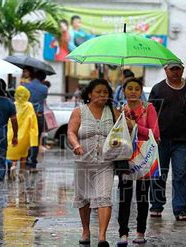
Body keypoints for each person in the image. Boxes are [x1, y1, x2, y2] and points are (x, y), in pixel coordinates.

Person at [148, 61, 186, 221]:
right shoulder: (158, 89)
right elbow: (150, 114)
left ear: (182, 70)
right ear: (166, 71)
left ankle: (180, 209)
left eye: (178, 69)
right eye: (172, 69)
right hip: (161, 140)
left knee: (180, 174)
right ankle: (156, 206)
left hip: (182, 140)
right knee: (159, 174)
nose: (175, 72)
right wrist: (151, 135)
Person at [67, 79, 116, 247]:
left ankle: (102, 237)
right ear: (89, 94)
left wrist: (127, 117)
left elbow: (127, 129)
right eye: (98, 92)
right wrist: (76, 145)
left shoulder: (113, 111)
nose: (102, 95)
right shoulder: (79, 111)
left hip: (106, 163)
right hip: (83, 163)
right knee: (84, 199)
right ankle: (86, 230)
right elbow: (71, 132)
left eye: (105, 92)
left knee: (104, 197)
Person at [116, 78, 159, 245]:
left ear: (141, 91)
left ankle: (140, 232)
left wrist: (134, 126)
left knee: (142, 196)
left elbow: (155, 134)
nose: (133, 91)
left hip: (144, 157)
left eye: (136, 88)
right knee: (124, 196)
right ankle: (123, 234)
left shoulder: (149, 109)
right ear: (124, 91)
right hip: (125, 157)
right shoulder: (121, 110)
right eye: (129, 88)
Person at [7, 86, 38, 180]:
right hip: (25, 133)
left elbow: (9, 118)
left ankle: (13, 166)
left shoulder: (13, 104)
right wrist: (34, 134)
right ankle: (21, 173)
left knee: (13, 153)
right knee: (23, 155)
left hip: (13, 132)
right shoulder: (29, 106)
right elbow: (32, 120)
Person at [23, 69, 48, 171]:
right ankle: (32, 163)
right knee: (35, 140)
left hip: (26, 116)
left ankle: (24, 160)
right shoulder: (44, 88)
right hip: (38, 116)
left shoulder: (25, 86)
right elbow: (44, 97)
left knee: (25, 138)